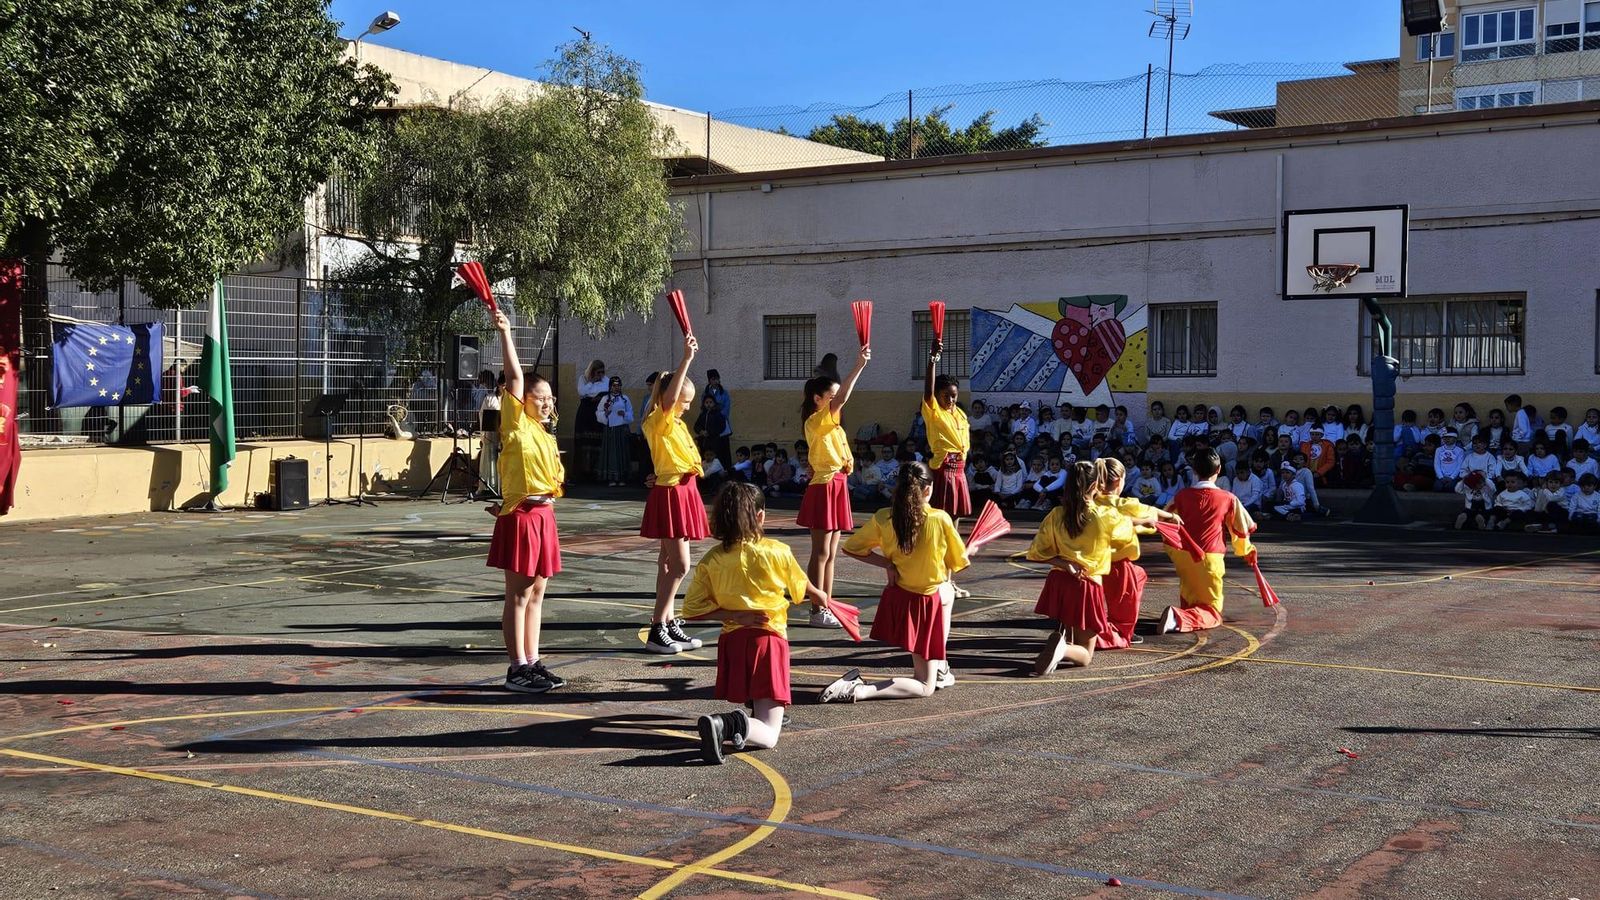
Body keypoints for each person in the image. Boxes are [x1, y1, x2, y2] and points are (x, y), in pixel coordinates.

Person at [686, 483, 828, 764]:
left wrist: (733, 615)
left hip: (734, 641)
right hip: (768, 640)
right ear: (760, 516)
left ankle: (745, 721)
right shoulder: (776, 551)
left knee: (762, 711)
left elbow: (691, 609)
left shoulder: (712, 559)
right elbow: (801, 586)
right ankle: (729, 725)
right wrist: (821, 595)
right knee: (770, 735)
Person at [819, 462, 969, 703]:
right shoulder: (940, 519)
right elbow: (957, 562)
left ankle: (940, 665)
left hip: (902, 596)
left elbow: (853, 548)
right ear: (928, 489)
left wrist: (888, 564)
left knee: (947, 592)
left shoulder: (884, 517)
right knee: (924, 686)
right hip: (925, 603)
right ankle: (859, 689)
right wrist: (970, 548)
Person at [486, 309, 566, 694]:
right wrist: (506, 332)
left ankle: (532, 661)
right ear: (522, 400)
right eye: (541, 397)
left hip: (543, 514)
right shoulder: (515, 422)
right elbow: (515, 377)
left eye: (550, 398)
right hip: (522, 516)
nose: (547, 403)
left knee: (537, 593)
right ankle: (516, 667)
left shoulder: (543, 433)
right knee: (517, 594)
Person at [1028, 461, 1155, 674]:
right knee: (1086, 655)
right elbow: (1126, 530)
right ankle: (1063, 650)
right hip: (1087, 584)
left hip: (1059, 581)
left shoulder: (1056, 514)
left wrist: (1065, 563)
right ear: (1095, 484)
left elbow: (1036, 553)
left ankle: (1061, 646)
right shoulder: (1104, 516)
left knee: (1070, 631)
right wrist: (1148, 520)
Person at [640, 334, 710, 654]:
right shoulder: (660, 418)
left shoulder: (676, 424)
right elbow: (668, 402)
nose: (687, 405)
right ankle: (657, 627)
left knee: (668, 564)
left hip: (682, 490)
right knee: (680, 565)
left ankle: (666, 622)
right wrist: (686, 359)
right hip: (670, 494)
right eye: (685, 400)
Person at [798, 344, 871, 628]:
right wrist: (859, 365)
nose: (837, 400)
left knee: (830, 553)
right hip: (824, 485)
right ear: (818, 399)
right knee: (821, 551)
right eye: (831, 396)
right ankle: (817, 609)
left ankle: (826, 603)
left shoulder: (832, 421)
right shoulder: (817, 419)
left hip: (838, 483)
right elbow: (843, 396)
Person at [1157, 448, 1258, 635]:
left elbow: (1164, 520)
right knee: (1212, 612)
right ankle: (1177, 618)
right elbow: (1241, 528)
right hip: (1209, 557)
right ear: (1219, 470)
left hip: (1184, 556)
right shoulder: (1228, 498)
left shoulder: (1181, 496)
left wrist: (1174, 550)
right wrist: (1246, 550)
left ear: (1194, 470)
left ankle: (1181, 617)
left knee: (1191, 598)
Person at [1095, 458, 1178, 650]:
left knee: (1138, 575)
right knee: (1125, 607)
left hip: (1094, 564)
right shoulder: (1124, 505)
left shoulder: (1090, 502)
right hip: (1117, 566)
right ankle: (1114, 634)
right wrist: (1172, 516)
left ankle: (1092, 627)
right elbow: (1150, 513)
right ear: (1119, 481)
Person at [596, 375, 634, 487]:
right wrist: (605, 414)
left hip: (622, 429)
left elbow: (631, 414)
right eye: (614, 385)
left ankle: (622, 477)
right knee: (612, 453)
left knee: (622, 452)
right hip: (610, 429)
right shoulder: (605, 399)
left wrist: (625, 414)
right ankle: (612, 478)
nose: (616, 388)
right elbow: (598, 412)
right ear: (610, 386)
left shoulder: (625, 399)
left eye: (618, 385)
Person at [575, 360, 609, 480]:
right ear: (592, 371)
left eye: (602, 372)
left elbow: (608, 391)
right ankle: (583, 472)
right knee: (585, 442)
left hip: (599, 411)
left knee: (598, 441)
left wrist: (599, 396)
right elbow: (582, 392)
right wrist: (592, 382)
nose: (601, 375)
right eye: (598, 372)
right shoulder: (583, 379)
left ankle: (597, 471)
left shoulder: (606, 380)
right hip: (586, 411)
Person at [477, 370, 502, 499]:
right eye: (501, 385)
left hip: (504, 435)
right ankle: (487, 486)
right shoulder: (490, 398)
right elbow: (482, 414)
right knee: (489, 457)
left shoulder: (511, 399)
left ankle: (502, 487)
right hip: (491, 433)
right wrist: (484, 434)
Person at [704, 368, 734, 472]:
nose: (716, 381)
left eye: (717, 379)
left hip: (721, 425)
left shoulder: (724, 393)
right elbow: (704, 406)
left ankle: (726, 471)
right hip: (710, 427)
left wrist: (717, 416)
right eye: (713, 379)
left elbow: (726, 408)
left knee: (724, 450)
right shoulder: (706, 392)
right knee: (712, 450)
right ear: (709, 381)